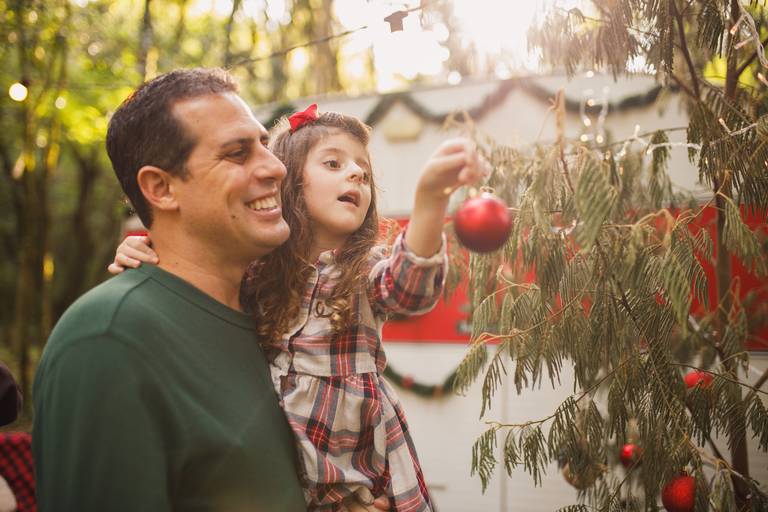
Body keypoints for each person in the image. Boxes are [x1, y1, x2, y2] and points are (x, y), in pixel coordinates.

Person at [111, 103, 486, 511]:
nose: (357, 174)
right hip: (274, 482)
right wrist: (146, 250)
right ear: (289, 184)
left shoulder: (363, 272)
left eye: (363, 169)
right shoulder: (256, 275)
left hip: (354, 483)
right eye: (333, 163)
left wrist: (430, 198)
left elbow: (410, 288)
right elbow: (196, 282)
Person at [32, 68, 308, 511]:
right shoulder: (109, 339)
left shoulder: (277, 317)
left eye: (264, 146)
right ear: (160, 188)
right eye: (237, 153)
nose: (275, 167)